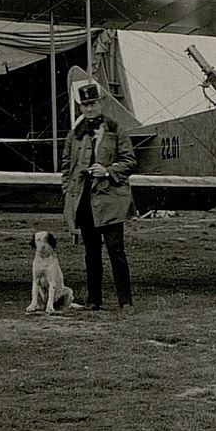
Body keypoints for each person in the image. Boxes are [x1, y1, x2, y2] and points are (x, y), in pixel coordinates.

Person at [61, 82, 138, 311]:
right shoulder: (74, 135)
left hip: (111, 200)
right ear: (80, 108)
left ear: (100, 103)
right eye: (84, 105)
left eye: (92, 103)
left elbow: (130, 162)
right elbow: (66, 167)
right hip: (84, 202)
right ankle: (94, 300)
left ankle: (126, 302)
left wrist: (107, 171)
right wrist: (68, 190)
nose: (89, 109)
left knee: (116, 250)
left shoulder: (117, 130)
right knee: (91, 251)